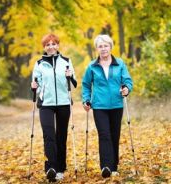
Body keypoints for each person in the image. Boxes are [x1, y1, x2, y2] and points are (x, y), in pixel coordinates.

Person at [82, 34, 133, 178]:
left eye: (106, 45)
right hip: (99, 106)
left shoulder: (120, 64)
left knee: (114, 135)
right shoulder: (92, 66)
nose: (103, 49)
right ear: (97, 49)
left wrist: (127, 89)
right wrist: (86, 99)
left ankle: (114, 166)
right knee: (104, 135)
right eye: (100, 46)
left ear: (110, 47)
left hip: (117, 104)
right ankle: (106, 166)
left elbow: (128, 81)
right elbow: (86, 85)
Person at [31, 34, 77, 181]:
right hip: (46, 104)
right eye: (47, 44)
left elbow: (74, 82)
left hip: (64, 102)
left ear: (58, 45)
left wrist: (70, 75)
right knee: (49, 134)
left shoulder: (66, 61)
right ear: (44, 47)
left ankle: (60, 168)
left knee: (61, 136)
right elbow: (35, 84)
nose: (51, 46)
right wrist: (34, 87)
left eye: (53, 44)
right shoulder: (39, 63)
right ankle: (51, 167)